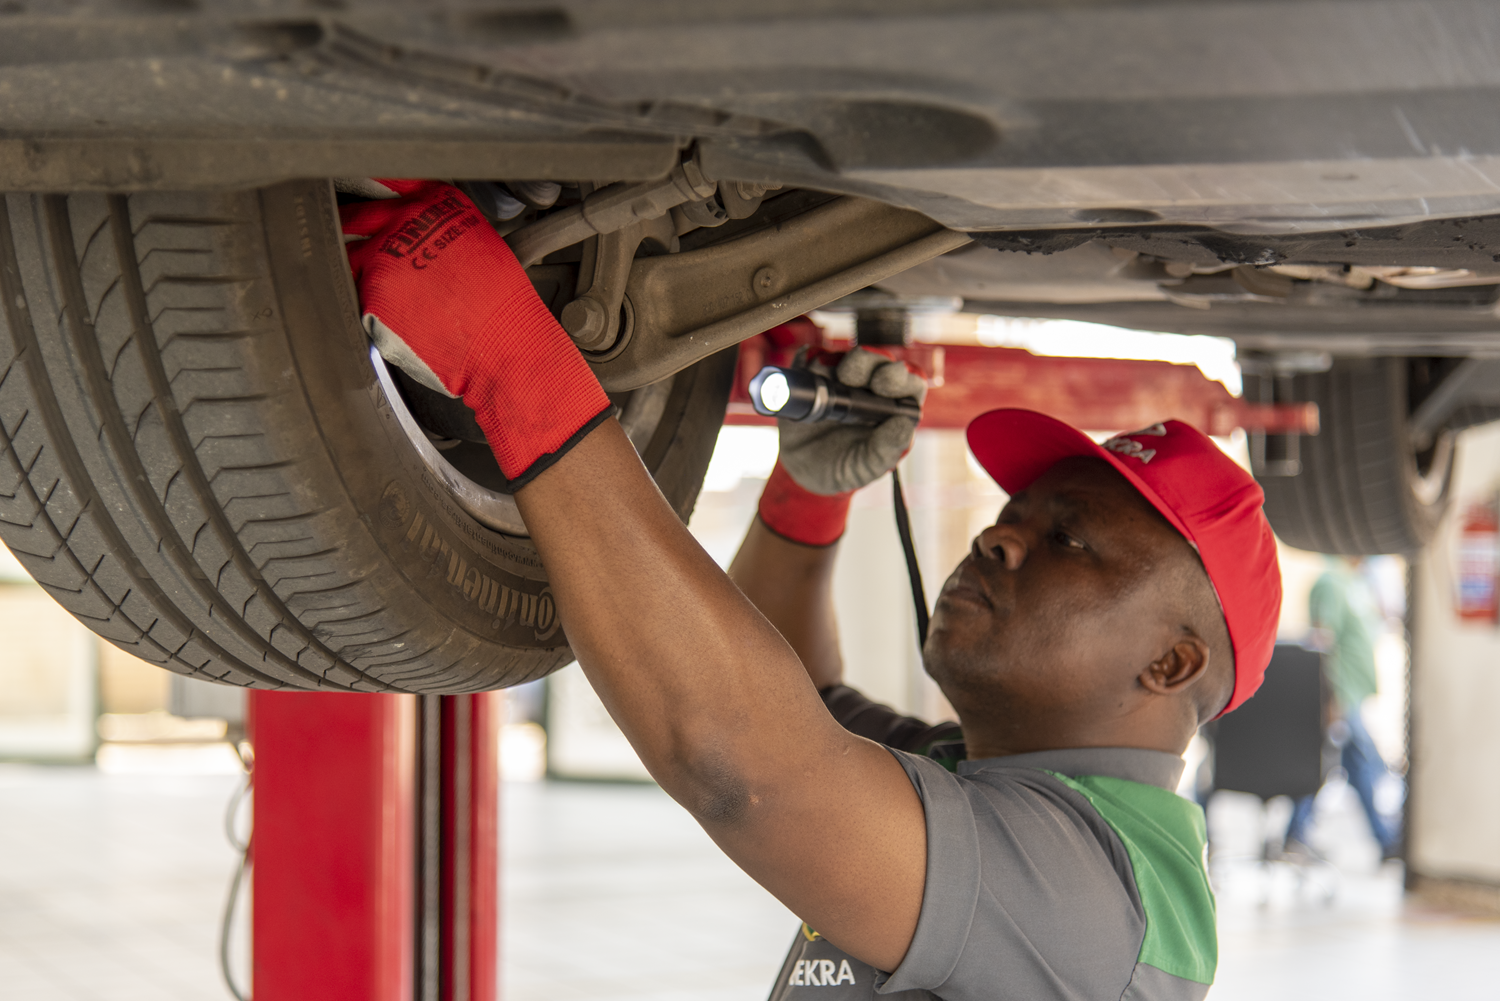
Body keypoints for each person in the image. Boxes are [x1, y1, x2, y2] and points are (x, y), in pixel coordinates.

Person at [341, 181, 1283, 1001]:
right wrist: (809, 495)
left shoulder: (1098, 891)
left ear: (1171, 660)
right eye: (1018, 515)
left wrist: (511, 360)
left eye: (1069, 540)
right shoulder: (993, 778)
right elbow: (789, 697)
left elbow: (744, 767)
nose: (999, 536)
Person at [1283, 558, 1403, 859]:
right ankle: (1386, 839)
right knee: (1357, 761)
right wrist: (1329, 699)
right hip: (1340, 694)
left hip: (1355, 694)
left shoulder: (1358, 582)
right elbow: (1322, 641)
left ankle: (1295, 834)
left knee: (1346, 764)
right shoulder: (1330, 582)